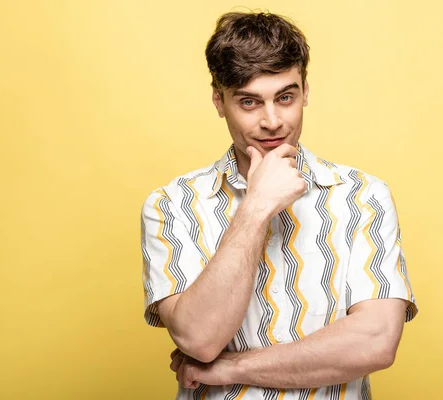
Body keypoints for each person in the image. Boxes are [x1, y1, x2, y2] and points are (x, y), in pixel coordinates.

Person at [140, 11, 417, 400]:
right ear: (219, 101)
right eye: (249, 102)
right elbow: (199, 339)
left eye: (285, 97)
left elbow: (375, 342)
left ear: (306, 91)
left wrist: (230, 367)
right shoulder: (171, 205)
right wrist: (256, 207)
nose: (272, 121)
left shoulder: (363, 195)